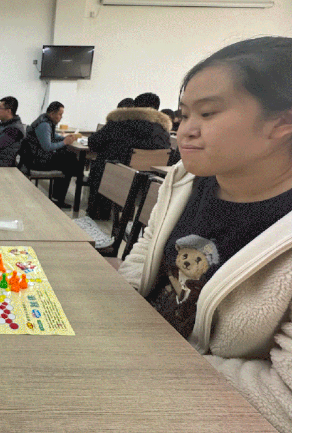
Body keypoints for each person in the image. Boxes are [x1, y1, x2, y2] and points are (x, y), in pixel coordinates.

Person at [118, 36, 291, 432]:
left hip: (204, 407)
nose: (185, 132)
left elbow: (288, 399)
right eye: (183, 115)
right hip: (139, 358)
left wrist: (158, 365)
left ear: (284, 122)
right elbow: (146, 253)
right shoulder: (184, 181)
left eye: (208, 114)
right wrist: (120, 321)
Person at [86, 91, 171, 219]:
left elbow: (93, 143)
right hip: (146, 185)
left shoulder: (118, 123)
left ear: (134, 107)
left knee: (101, 164)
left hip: (112, 178)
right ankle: (129, 215)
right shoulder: (163, 131)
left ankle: (98, 212)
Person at [20, 101, 81, 209]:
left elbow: (52, 136)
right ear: (52, 114)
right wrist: (65, 142)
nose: (61, 117)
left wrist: (64, 138)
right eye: (60, 114)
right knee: (69, 160)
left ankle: (58, 196)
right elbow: (47, 147)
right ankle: (60, 196)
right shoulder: (44, 125)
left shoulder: (45, 120)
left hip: (35, 156)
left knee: (68, 158)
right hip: (36, 161)